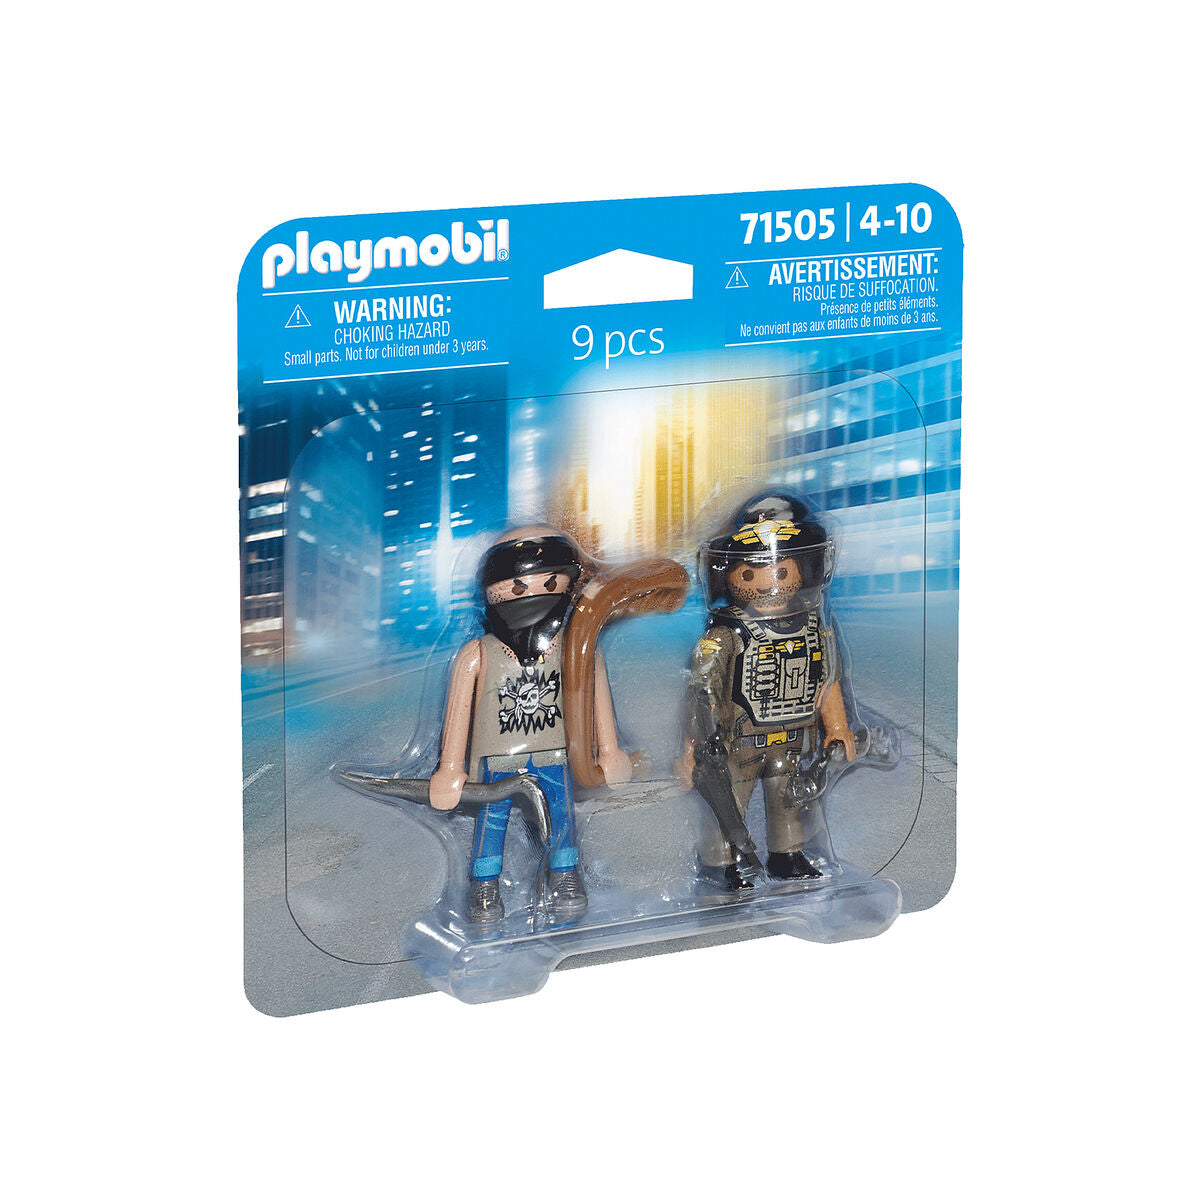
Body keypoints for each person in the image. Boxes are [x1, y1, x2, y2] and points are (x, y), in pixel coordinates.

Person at [430, 527, 631, 923]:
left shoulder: (576, 648)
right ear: (492, 590)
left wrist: (608, 749)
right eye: (517, 587)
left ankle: (565, 874)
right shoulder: (478, 653)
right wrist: (450, 768)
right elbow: (458, 712)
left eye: (550, 583)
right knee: (492, 821)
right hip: (497, 760)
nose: (532, 595)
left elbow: (596, 694)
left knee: (561, 817)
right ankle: (484, 885)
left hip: (556, 754)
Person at [677, 491, 857, 889]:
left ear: (805, 570)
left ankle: (787, 855)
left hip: (790, 740)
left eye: (779, 571)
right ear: (727, 575)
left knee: (788, 798)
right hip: (736, 743)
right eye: (748, 574)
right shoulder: (725, 636)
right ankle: (719, 862)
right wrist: (692, 751)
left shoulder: (816, 631)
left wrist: (837, 727)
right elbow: (700, 695)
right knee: (729, 803)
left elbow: (826, 683)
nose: (764, 585)